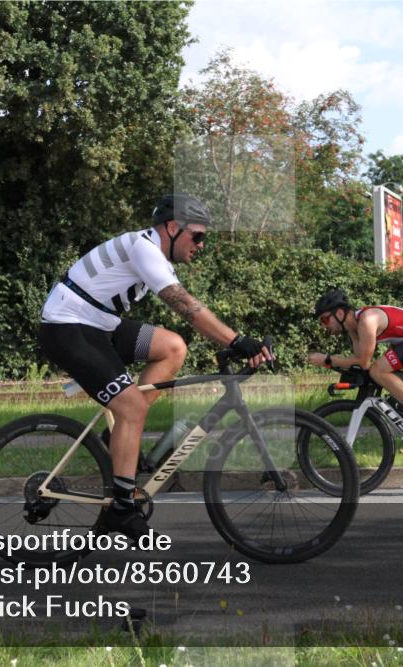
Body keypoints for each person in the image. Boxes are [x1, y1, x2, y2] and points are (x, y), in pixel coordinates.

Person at [38, 194, 273, 539]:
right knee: (133, 406)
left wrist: (231, 341)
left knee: (172, 347)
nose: (201, 245)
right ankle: (121, 509)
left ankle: (120, 433)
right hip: (68, 326)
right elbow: (187, 307)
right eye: (197, 236)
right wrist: (237, 341)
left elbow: (189, 313)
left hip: (99, 323)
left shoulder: (154, 254)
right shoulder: (143, 248)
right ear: (173, 227)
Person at [308, 289, 403, 440]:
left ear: (339, 313)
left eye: (325, 320)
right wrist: (331, 363)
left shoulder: (367, 320)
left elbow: (364, 361)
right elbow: (362, 364)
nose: (324, 326)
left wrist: (327, 359)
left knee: (378, 370)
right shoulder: (353, 330)